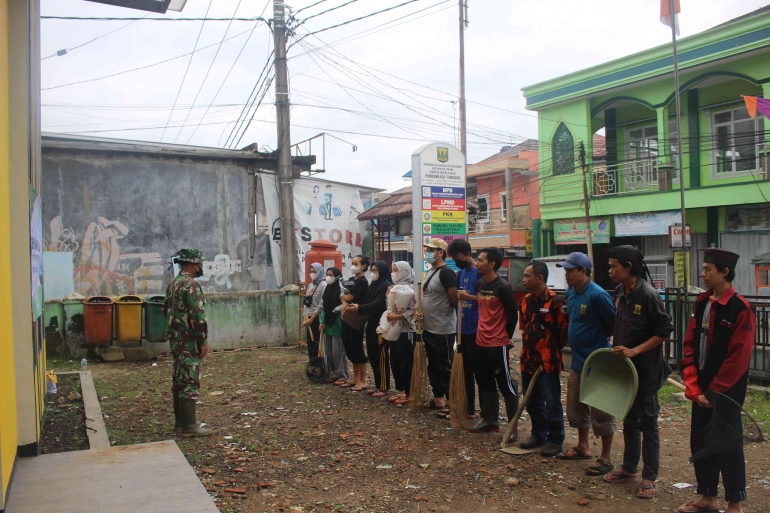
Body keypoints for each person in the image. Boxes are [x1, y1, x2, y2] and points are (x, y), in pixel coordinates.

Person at [678, 248, 755, 513]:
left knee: (728, 443)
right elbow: (689, 346)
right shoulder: (701, 303)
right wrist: (694, 385)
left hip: (726, 391)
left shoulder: (740, 308)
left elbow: (738, 357)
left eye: (708, 268)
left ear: (724, 272)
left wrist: (713, 392)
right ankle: (707, 496)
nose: (703, 273)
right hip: (700, 386)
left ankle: (734, 502)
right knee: (700, 440)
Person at [603, 245, 674, 499]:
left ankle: (648, 477)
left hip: (646, 371)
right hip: (626, 372)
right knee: (629, 420)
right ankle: (629, 468)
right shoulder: (621, 291)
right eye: (610, 266)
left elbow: (664, 331)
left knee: (648, 424)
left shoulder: (648, 294)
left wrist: (635, 351)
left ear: (628, 267)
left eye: (614, 267)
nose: (610, 271)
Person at [556, 252, 617, 477]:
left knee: (601, 411)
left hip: (598, 362)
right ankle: (583, 446)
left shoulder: (598, 295)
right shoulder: (571, 292)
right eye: (566, 270)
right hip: (578, 360)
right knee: (576, 407)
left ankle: (606, 457)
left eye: (570, 271)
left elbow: (611, 324)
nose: (567, 274)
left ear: (583, 271)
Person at [517, 261, 568, 456]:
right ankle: (538, 434)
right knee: (531, 400)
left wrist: (552, 350)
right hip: (528, 359)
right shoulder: (524, 301)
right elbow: (524, 330)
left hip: (548, 361)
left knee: (552, 401)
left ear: (540, 278)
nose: (524, 279)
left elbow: (563, 333)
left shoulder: (556, 302)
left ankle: (555, 440)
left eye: (527, 276)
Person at [163, 248, 212, 437]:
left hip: (176, 340)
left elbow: (164, 310)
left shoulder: (174, 284)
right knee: (190, 380)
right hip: (189, 341)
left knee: (178, 379)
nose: (201, 267)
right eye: (199, 264)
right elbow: (198, 316)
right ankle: (189, 426)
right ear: (192, 264)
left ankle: (179, 422)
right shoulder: (190, 285)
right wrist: (203, 341)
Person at [469, 248, 519, 433]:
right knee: (484, 381)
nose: (477, 262)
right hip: (480, 342)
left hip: (497, 344)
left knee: (505, 384)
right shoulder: (480, 284)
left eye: (481, 260)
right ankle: (490, 419)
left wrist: (506, 337)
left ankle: (513, 428)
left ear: (491, 264)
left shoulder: (503, 287)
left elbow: (512, 316)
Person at [414, 239, 458, 411]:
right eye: (427, 250)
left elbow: (454, 299)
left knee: (444, 366)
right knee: (433, 365)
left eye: (431, 250)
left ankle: (452, 402)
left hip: (443, 328)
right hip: (430, 327)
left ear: (440, 253)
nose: (428, 253)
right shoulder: (432, 271)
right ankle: (438, 399)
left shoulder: (446, 272)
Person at [347, 260, 393, 397]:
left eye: (375, 271)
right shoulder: (374, 284)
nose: (373, 273)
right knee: (372, 355)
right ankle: (378, 385)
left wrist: (359, 308)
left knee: (381, 355)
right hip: (371, 323)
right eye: (372, 271)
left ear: (382, 271)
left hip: (382, 325)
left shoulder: (386, 285)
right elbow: (368, 302)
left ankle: (384, 387)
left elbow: (378, 304)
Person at [447, 239, 480, 421]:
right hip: (461, 328)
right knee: (464, 369)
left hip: (476, 328)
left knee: (478, 370)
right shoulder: (460, 273)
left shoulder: (479, 273)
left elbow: (486, 299)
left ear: (468, 254)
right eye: (454, 258)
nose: (457, 261)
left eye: (459, 258)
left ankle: (483, 411)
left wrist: (469, 297)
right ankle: (468, 408)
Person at [385, 261, 417, 406]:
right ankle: (400, 389)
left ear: (405, 271)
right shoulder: (393, 288)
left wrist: (396, 316)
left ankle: (409, 392)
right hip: (393, 329)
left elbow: (413, 311)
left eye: (397, 270)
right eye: (393, 270)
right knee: (395, 359)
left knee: (406, 361)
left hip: (407, 330)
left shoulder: (410, 289)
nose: (394, 273)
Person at [340, 255, 370, 391]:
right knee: (349, 346)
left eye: (356, 263)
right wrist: (344, 300)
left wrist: (343, 299)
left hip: (357, 318)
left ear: (363, 266)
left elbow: (347, 296)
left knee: (357, 347)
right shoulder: (352, 280)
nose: (353, 265)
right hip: (347, 316)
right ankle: (355, 378)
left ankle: (362, 380)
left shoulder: (362, 282)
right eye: (352, 263)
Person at [320, 267, 349, 384]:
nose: (328, 277)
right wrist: (322, 321)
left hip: (337, 323)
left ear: (337, 276)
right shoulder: (327, 289)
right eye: (327, 274)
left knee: (338, 351)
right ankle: (334, 373)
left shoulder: (341, 290)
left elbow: (344, 305)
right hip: (328, 324)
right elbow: (324, 307)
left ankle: (342, 375)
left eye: (331, 275)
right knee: (329, 351)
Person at [302, 262, 327, 361]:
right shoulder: (310, 285)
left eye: (314, 272)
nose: (312, 274)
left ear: (320, 272)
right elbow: (306, 303)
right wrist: (305, 318)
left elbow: (321, 304)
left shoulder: (323, 285)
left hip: (317, 318)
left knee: (318, 343)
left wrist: (312, 319)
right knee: (311, 344)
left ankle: (321, 365)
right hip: (308, 319)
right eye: (310, 272)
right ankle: (313, 363)